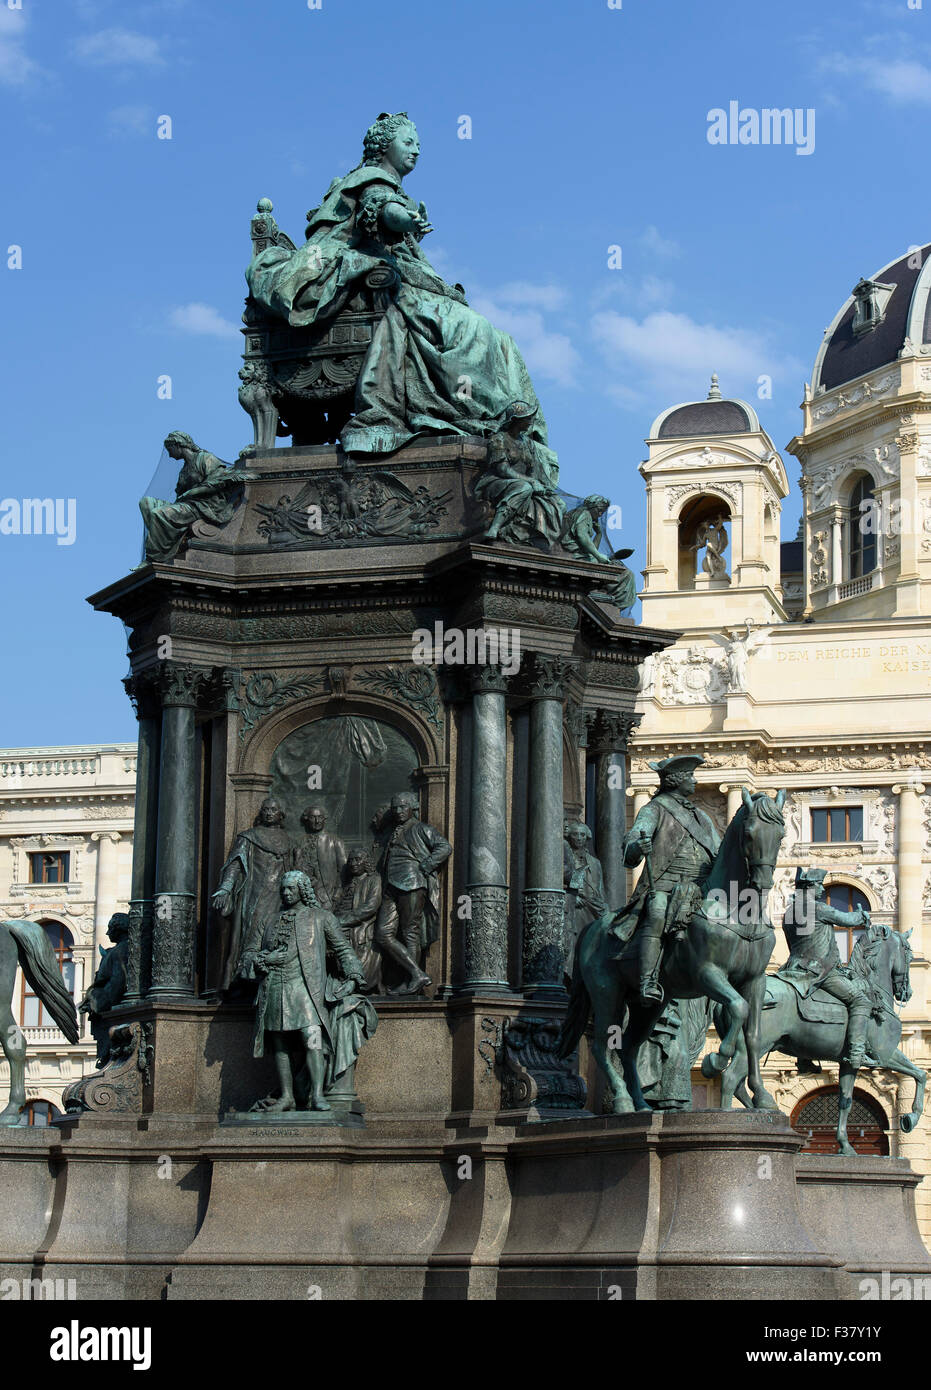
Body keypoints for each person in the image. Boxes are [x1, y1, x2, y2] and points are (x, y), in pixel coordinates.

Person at [246, 113, 557, 468]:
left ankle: (495, 415)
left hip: (389, 278)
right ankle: (479, 412)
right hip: (370, 287)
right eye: (408, 142)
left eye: (419, 145)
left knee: (500, 339)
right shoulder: (373, 181)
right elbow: (380, 211)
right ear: (384, 146)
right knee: (473, 329)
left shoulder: (387, 186)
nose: (416, 150)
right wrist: (405, 219)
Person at [252, 872, 365, 1112]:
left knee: (311, 1037)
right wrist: (265, 958)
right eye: (283, 889)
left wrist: (354, 977)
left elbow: (343, 949)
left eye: (291, 888)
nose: (286, 893)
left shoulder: (321, 917)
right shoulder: (268, 920)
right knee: (280, 1042)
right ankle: (286, 1097)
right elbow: (249, 956)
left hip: (305, 988)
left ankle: (316, 1095)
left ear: (303, 889)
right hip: (274, 987)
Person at [614, 755, 720, 1004]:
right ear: (677, 780)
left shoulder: (701, 817)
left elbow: (718, 850)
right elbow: (630, 849)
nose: (694, 781)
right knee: (658, 910)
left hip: (699, 887)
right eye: (690, 776)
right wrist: (639, 846)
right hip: (665, 885)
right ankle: (648, 980)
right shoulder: (654, 809)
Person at [778, 866, 872, 1069]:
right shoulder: (818, 908)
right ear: (810, 887)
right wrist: (862, 915)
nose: (822, 889)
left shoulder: (788, 913)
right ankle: (857, 1054)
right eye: (819, 885)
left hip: (793, 969)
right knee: (860, 1001)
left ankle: (804, 1058)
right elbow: (848, 920)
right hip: (820, 970)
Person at [373, 791, 451, 995]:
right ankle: (417, 973)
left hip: (412, 884)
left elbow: (444, 847)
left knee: (410, 932)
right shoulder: (395, 830)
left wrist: (425, 867)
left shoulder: (421, 828)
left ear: (413, 807)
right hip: (391, 886)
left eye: (402, 807)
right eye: (395, 808)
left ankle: (411, 981)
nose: (398, 811)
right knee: (383, 934)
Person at [212, 798, 292, 987]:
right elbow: (236, 864)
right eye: (265, 809)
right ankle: (247, 976)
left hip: (281, 896)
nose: (269, 813)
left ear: (281, 814)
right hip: (256, 895)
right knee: (252, 934)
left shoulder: (289, 840)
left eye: (273, 809)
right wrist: (225, 888)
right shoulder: (248, 837)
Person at [139, 431, 252, 563]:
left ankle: (154, 557)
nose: (169, 455)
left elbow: (217, 483)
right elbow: (180, 495)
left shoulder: (206, 459)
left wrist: (193, 492)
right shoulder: (184, 470)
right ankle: (165, 543)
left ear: (178, 445)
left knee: (158, 513)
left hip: (205, 506)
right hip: (188, 504)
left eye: (170, 449)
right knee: (146, 503)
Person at [474, 401, 564, 548]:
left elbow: (533, 471)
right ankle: (495, 528)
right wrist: (531, 482)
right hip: (495, 482)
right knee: (524, 488)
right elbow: (502, 470)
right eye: (527, 418)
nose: (531, 422)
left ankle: (531, 536)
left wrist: (539, 485)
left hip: (523, 482)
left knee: (557, 502)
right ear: (515, 420)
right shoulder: (498, 439)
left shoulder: (528, 443)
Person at [560, 495, 637, 611]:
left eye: (603, 512)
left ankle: (606, 598)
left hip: (581, 555)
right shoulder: (584, 514)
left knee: (618, 568)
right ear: (592, 506)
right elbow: (582, 536)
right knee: (626, 574)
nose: (600, 514)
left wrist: (599, 534)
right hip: (574, 555)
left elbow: (590, 548)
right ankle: (613, 604)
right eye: (599, 510)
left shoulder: (581, 514)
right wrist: (598, 556)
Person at [79, 913, 130, 1067]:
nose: (108, 933)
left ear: (120, 929)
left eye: (111, 929)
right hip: (108, 1014)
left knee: (108, 1052)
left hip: (109, 1015)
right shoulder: (118, 950)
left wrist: (99, 1005)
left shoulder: (120, 950)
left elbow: (117, 983)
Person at [333, 849, 383, 994]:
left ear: (366, 862)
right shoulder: (346, 883)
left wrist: (343, 921)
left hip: (359, 927)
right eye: (351, 860)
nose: (353, 863)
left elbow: (371, 906)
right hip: (338, 924)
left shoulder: (373, 879)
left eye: (357, 859)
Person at [563, 823, 608, 957]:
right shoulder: (565, 859)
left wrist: (603, 905)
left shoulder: (595, 862)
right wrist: (571, 898)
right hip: (575, 910)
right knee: (575, 947)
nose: (579, 838)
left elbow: (600, 888)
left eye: (582, 834)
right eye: (575, 834)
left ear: (587, 837)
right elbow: (556, 884)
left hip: (593, 909)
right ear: (569, 837)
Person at [292, 805, 348, 910]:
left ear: (324, 819)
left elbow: (344, 871)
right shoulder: (299, 842)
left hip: (327, 896)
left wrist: (338, 893)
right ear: (307, 819)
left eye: (320, 817)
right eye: (313, 817)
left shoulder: (335, 841)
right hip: (304, 896)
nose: (317, 821)